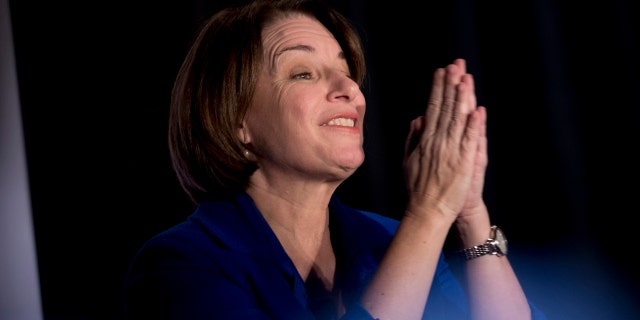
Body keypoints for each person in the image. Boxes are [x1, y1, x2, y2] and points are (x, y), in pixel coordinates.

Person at [123, 0, 548, 319]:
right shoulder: (180, 265)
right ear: (236, 120)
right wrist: (430, 212)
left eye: (345, 70)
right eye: (303, 72)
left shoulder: (387, 241)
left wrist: (468, 212)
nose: (348, 87)